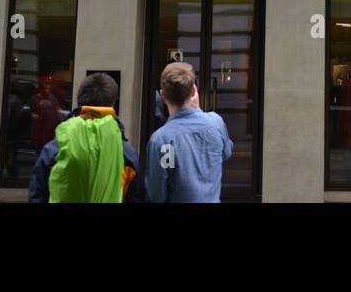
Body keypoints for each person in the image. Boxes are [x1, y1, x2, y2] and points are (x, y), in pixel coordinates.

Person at [35, 73, 141, 203]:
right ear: (113, 103)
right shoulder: (127, 155)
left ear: (79, 101)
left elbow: (38, 195)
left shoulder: (54, 150)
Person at [145, 62, 233, 203]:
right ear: (193, 91)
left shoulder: (160, 140)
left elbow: (156, 194)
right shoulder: (216, 123)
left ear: (163, 95)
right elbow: (226, 153)